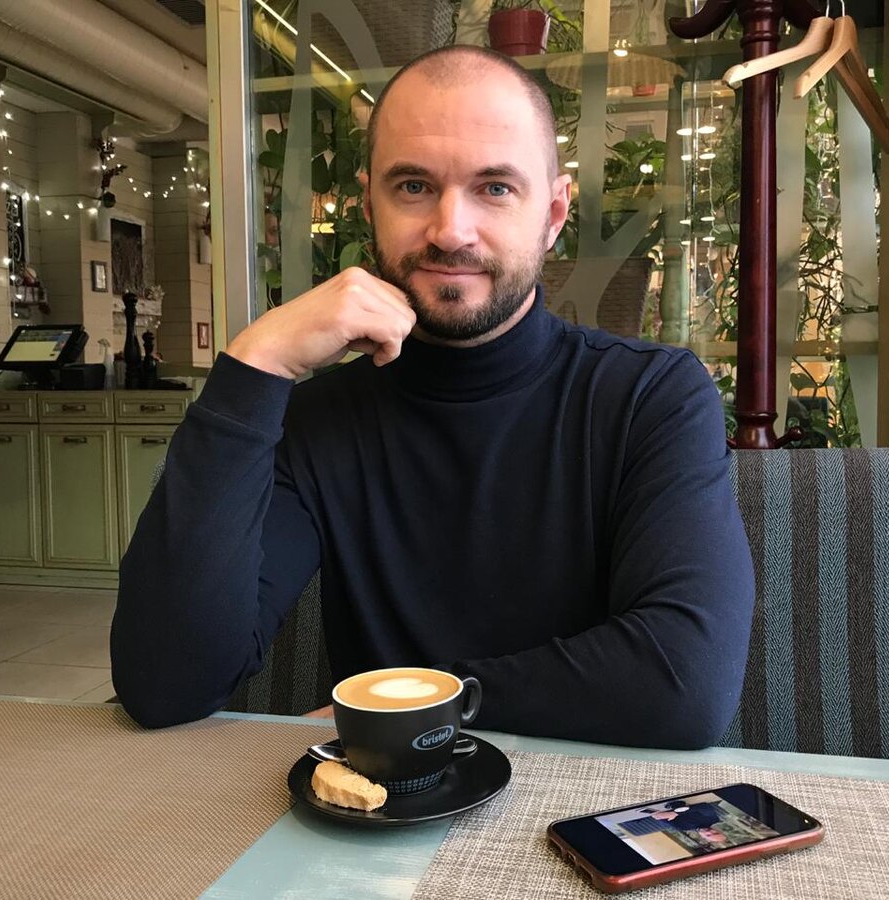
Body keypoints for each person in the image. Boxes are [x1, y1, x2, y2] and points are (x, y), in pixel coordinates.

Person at [111, 45, 754, 749]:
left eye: (495, 188)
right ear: (370, 206)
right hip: (387, 800)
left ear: (553, 213)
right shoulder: (318, 420)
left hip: (599, 796)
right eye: (413, 186)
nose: (450, 230)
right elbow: (166, 682)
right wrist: (254, 362)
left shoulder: (649, 397)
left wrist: (425, 703)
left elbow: (686, 682)